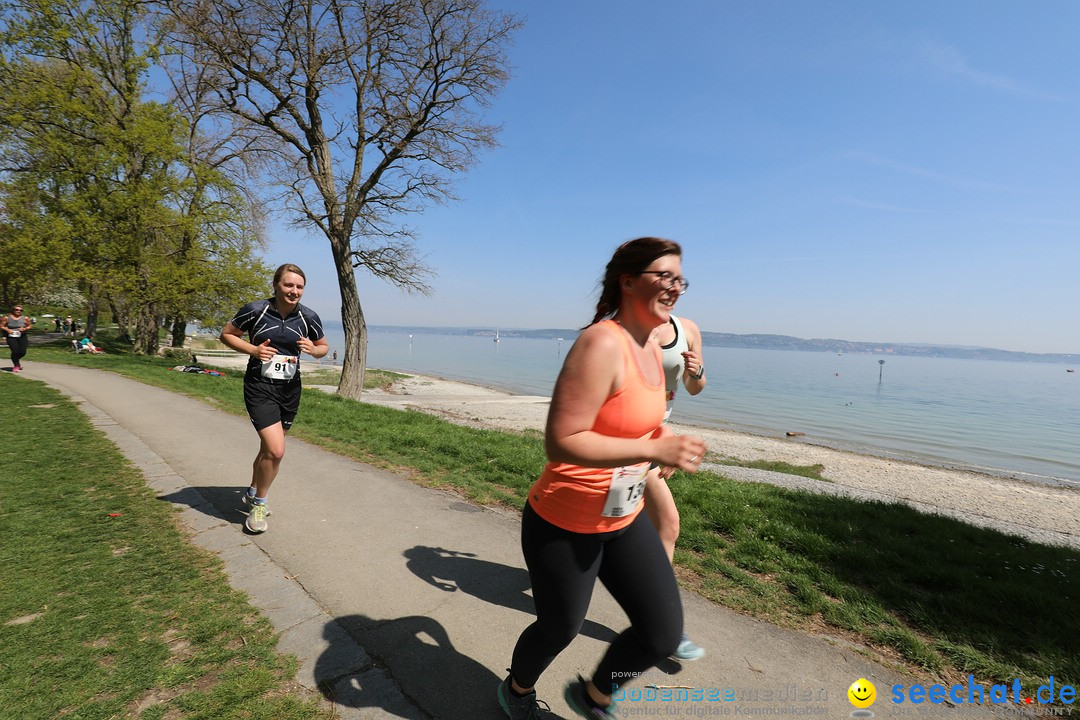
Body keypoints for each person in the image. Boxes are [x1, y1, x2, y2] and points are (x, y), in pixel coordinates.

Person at [499, 238, 706, 720]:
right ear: (627, 281)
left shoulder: (650, 346)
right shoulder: (601, 342)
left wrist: (664, 434)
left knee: (659, 633)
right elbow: (563, 440)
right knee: (559, 629)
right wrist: (652, 448)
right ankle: (517, 688)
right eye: (665, 277)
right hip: (565, 518)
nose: (675, 288)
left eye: (681, 279)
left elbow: (635, 418)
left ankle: (594, 696)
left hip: (622, 513)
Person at [220, 263, 328, 533]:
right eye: (288, 285)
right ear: (276, 285)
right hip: (259, 386)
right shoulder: (256, 310)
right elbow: (227, 334)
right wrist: (254, 350)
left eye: (299, 287)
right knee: (277, 451)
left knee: (268, 450)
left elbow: (324, 346)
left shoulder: (308, 317)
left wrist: (314, 351)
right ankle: (259, 503)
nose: (294, 291)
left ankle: (252, 490)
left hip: (290, 390)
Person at [643, 314, 708, 662]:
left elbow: (696, 387)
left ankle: (663, 625)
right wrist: (660, 440)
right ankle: (666, 626)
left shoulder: (688, 329)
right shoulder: (628, 325)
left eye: (677, 279)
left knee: (660, 528)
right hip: (632, 436)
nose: (671, 286)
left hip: (656, 434)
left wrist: (695, 371)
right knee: (666, 526)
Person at [3, 304, 32, 372]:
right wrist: (8, 330)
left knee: (22, 352)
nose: (18, 311)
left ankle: (15, 359)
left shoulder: (25, 318)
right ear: (13, 310)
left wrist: (24, 328)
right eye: (16, 309)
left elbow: (30, 326)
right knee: (15, 351)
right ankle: (16, 365)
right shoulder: (7, 318)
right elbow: (1, 326)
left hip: (22, 336)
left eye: (20, 310)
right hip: (11, 336)